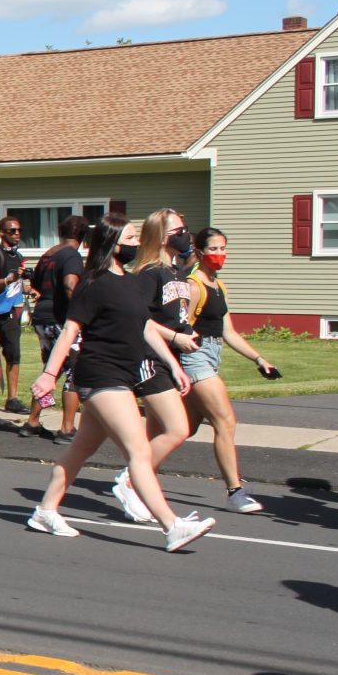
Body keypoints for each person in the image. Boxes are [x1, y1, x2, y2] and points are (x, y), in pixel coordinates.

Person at [25, 213, 217, 551]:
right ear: (113, 243)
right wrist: (49, 374)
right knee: (139, 450)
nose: (135, 244)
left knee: (81, 449)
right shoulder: (93, 282)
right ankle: (172, 526)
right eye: (129, 238)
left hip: (122, 375)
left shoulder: (129, 282)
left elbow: (145, 328)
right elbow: (71, 330)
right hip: (100, 374)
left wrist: (174, 365)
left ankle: (45, 510)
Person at [110, 209, 200, 525]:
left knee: (157, 434)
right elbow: (141, 319)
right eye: (178, 230)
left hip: (168, 358)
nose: (185, 234)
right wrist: (175, 336)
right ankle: (130, 479)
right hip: (148, 358)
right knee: (178, 429)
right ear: (162, 236)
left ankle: (141, 493)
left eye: (185, 228)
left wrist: (184, 334)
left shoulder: (174, 272)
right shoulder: (149, 273)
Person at [179, 228, 277, 514]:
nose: (220, 254)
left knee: (183, 428)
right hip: (194, 357)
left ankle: (135, 472)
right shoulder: (193, 285)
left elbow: (228, 332)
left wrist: (258, 359)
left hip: (212, 355)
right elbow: (181, 327)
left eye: (223, 248)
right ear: (198, 252)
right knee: (225, 421)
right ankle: (235, 492)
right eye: (213, 249)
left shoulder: (218, 286)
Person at [21, 215, 88, 442]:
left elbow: (37, 286)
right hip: (61, 319)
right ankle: (67, 428)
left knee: (51, 370)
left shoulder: (49, 254)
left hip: (42, 318)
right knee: (74, 373)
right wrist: (82, 310)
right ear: (83, 236)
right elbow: (70, 285)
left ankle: (32, 422)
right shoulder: (71, 255)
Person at [0, 215, 28, 412]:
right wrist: (9, 279)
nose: (17, 234)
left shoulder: (17, 256)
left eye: (18, 230)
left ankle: (12, 398)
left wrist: (30, 289)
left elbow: (17, 283)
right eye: (12, 231)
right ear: (1, 233)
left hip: (11, 312)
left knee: (13, 354)